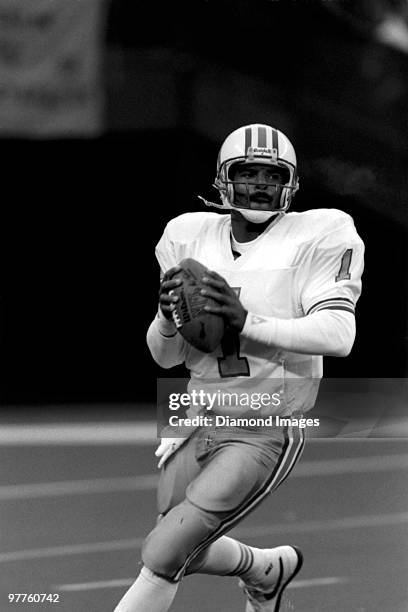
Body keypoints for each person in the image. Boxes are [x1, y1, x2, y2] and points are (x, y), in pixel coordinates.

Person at [114, 123, 364, 612]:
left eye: (271, 176)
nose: (259, 185)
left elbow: (340, 336)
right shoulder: (186, 235)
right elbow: (165, 356)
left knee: (163, 553)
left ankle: (263, 573)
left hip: (267, 421)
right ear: (223, 180)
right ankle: (265, 570)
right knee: (182, 540)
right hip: (197, 415)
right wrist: (167, 320)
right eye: (247, 173)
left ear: (290, 183)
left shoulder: (322, 232)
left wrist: (247, 321)